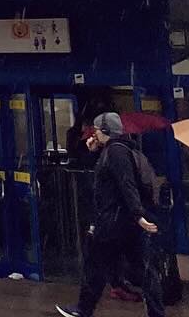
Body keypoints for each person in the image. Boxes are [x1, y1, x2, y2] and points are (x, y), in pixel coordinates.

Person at [56, 111, 162, 317]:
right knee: (142, 270)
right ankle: (155, 312)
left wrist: (138, 214)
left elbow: (126, 184)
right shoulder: (118, 150)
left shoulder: (115, 153)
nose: (93, 133)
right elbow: (109, 182)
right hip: (125, 221)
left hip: (113, 221)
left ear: (105, 131)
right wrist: (93, 153)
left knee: (94, 265)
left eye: (96, 129)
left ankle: (83, 309)